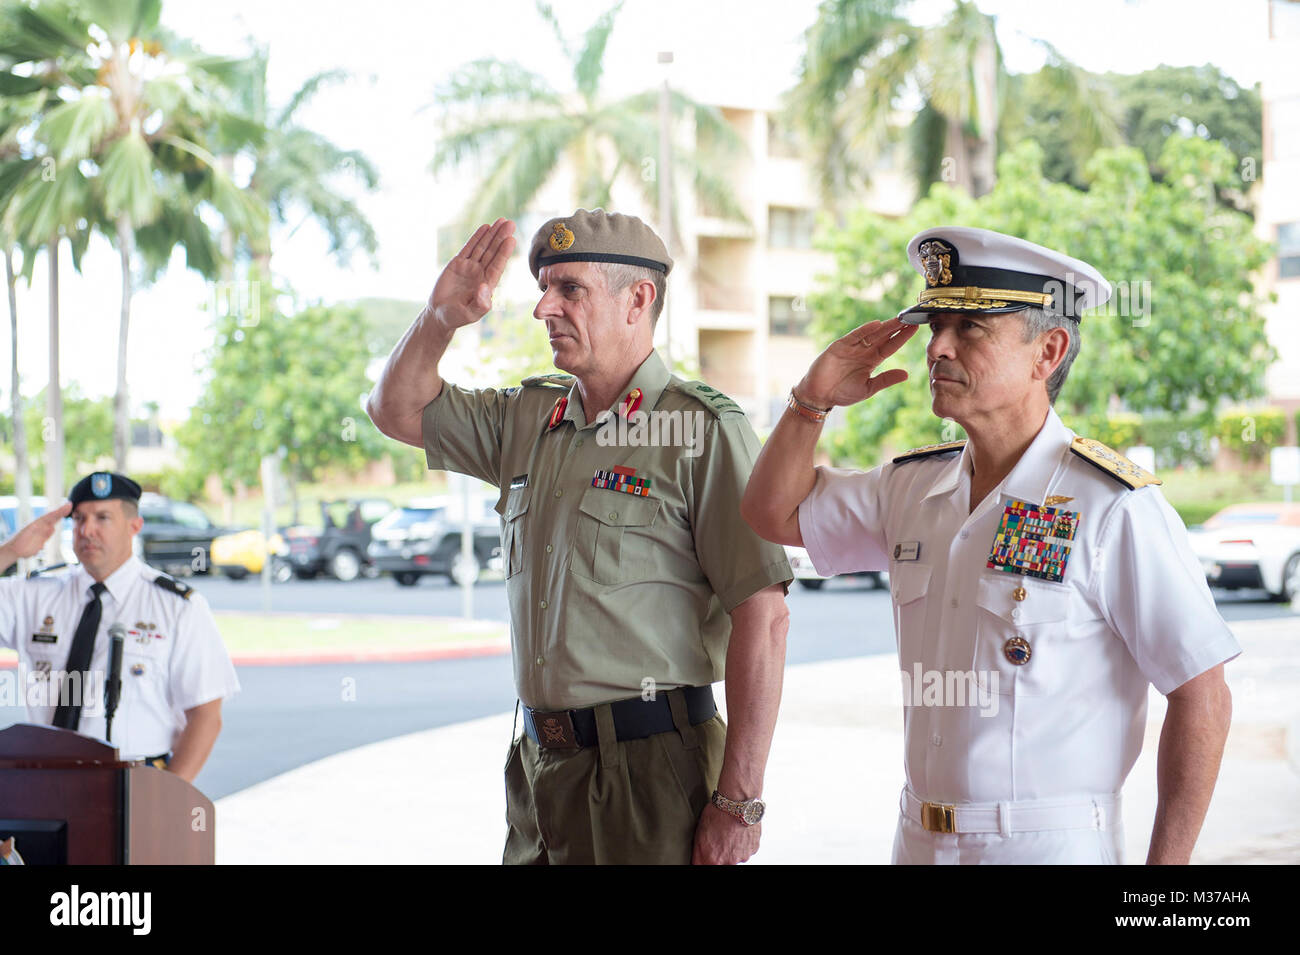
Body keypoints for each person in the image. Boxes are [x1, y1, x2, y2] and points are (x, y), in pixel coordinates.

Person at [742, 226, 1239, 865]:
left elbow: (1202, 691)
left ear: (1048, 351)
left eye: (971, 327)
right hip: (917, 839)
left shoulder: (1113, 506)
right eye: (934, 326)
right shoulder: (910, 488)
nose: (938, 348)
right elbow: (771, 513)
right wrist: (812, 401)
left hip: (1047, 847)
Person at [367, 210, 792, 865]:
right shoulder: (528, 418)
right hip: (541, 766)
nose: (543, 307)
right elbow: (395, 408)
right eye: (543, 287)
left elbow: (762, 618)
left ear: (638, 299)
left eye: (569, 288)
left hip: (654, 770)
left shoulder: (701, 429)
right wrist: (439, 317)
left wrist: (739, 802)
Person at [0, 472, 240, 783]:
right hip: (46, 779)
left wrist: (169, 800)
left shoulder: (177, 607)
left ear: (134, 526)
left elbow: (206, 716)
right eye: (79, 519)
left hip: (136, 781)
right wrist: (10, 552)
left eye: (102, 518)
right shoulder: (35, 595)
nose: (87, 530)